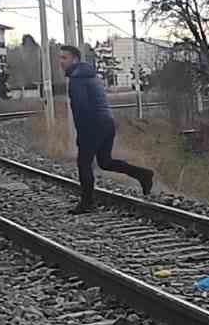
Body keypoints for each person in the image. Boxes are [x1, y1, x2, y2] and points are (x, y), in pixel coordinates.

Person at [60, 43, 153, 213]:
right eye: (60, 58)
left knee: (84, 163)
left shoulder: (77, 79)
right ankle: (143, 174)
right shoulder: (90, 75)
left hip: (93, 125)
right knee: (105, 162)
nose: (61, 62)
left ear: (75, 59)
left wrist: (82, 134)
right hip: (107, 123)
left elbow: (81, 108)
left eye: (64, 58)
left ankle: (87, 203)